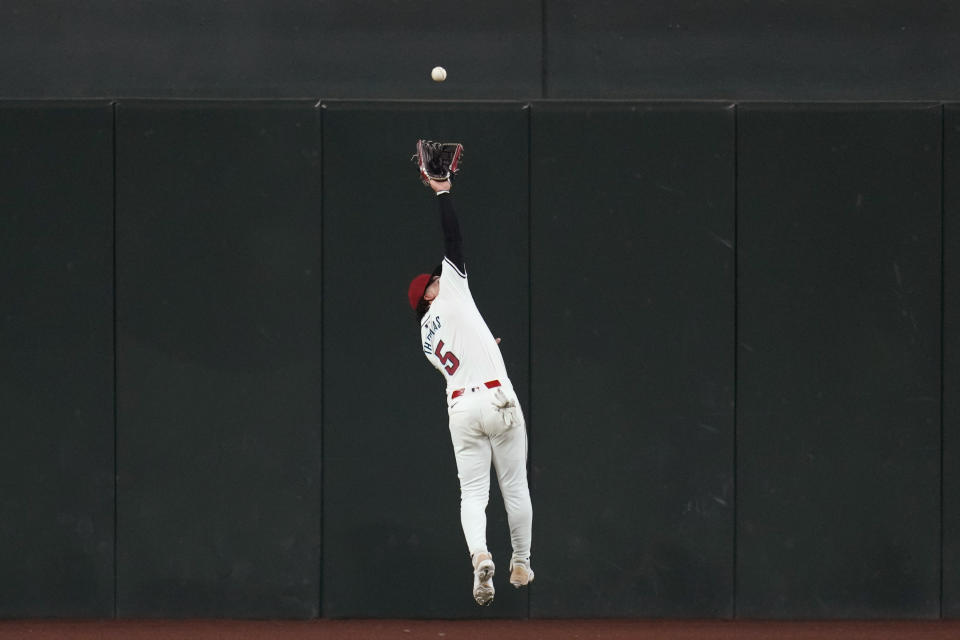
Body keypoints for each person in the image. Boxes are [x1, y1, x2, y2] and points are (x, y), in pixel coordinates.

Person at [406, 177, 534, 606]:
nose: (439, 277)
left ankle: (480, 555)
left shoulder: (425, 337)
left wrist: (487, 345)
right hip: (498, 398)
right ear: (428, 292)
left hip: (461, 409)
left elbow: (462, 346)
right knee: (514, 487)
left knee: (473, 495)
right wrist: (442, 190)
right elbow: (453, 236)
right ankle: (520, 560)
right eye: (433, 280)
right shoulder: (451, 290)